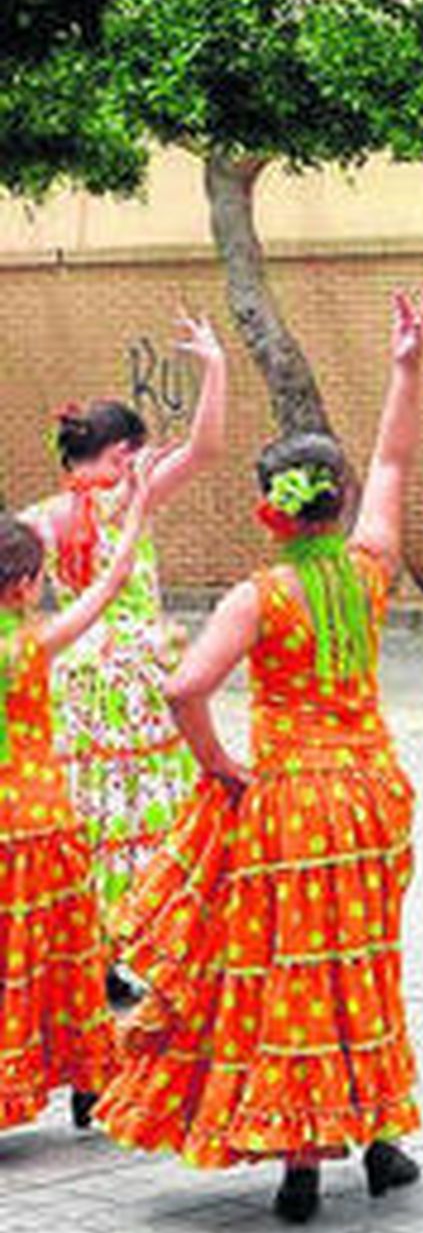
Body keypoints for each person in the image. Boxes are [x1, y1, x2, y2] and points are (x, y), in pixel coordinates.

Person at [94, 292, 423, 1225]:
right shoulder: (369, 568)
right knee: (362, 963)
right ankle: (380, 1138)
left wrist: (219, 765)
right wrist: (405, 364)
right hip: (369, 797)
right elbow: (397, 457)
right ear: (341, 502)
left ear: (265, 511)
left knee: (290, 973)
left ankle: (299, 1163)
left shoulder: (257, 595)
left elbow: (183, 687)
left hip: (287, 803)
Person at [26, 315, 227, 968]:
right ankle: (144, 936)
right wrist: (216, 366)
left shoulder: (39, 519)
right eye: (135, 453)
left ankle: (94, 945)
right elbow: (205, 447)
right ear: (119, 454)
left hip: (79, 675)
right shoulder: (124, 499)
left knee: (93, 806)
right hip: (140, 673)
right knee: (153, 805)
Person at [0, 452, 156, 1133]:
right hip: (44, 816)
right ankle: (88, 1081)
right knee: (66, 952)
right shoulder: (37, 643)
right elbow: (112, 580)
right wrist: (140, 505)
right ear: (27, 585)